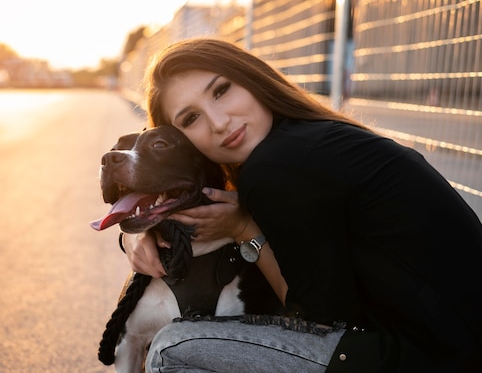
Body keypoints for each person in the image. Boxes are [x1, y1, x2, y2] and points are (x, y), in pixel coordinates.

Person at [120, 38, 482, 372]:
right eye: (191, 119)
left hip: (432, 356)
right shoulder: (304, 138)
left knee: (174, 347)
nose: (219, 122)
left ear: (251, 78)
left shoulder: (277, 166)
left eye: (221, 90)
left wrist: (245, 231)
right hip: (444, 339)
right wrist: (141, 232)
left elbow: (317, 323)